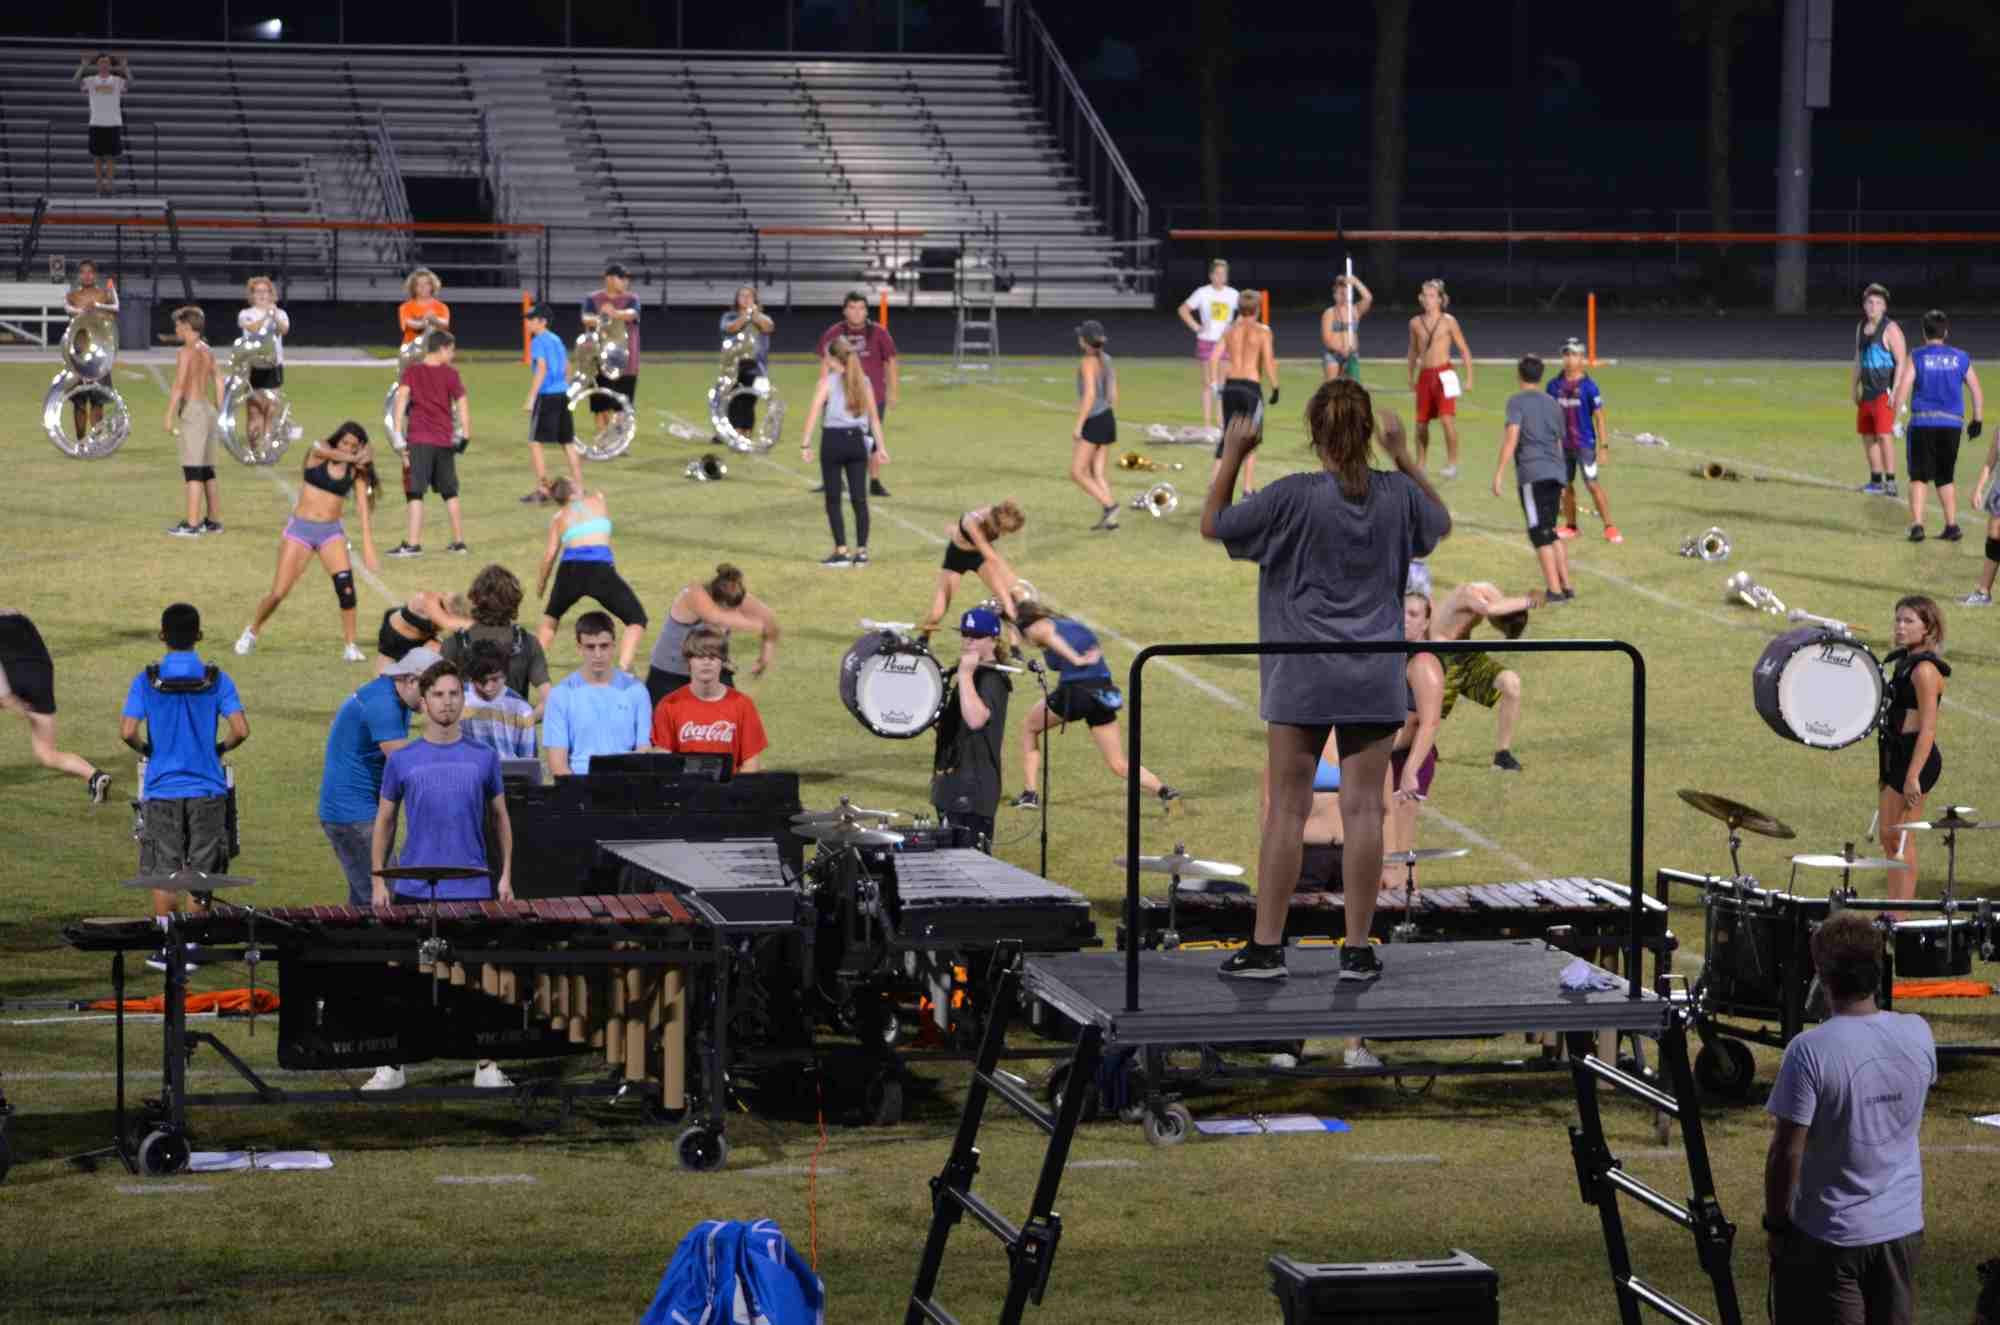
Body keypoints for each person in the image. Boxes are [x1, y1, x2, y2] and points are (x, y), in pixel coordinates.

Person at [1201, 382, 1451, 982]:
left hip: (1302, 672)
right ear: (1368, 434)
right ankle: (1358, 949)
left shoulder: (1292, 495)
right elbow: (1439, 522)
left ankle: (1267, 948)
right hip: (1374, 673)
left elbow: (1214, 524)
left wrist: (1233, 456)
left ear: (1315, 433)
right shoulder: (1396, 493)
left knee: (1287, 811)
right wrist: (1405, 456)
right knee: (1365, 813)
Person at [1764, 909, 1935, 1325]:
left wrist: (1777, 1225)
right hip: (1901, 1229)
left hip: (1830, 1235)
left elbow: (1786, 1152)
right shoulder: (1918, 1031)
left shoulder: (1809, 1050)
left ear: (1822, 975)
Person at [364, 657, 513, 1094]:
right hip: (414, 888)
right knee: (405, 980)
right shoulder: (403, 760)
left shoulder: (485, 758)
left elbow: (501, 819)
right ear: (424, 702)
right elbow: (385, 821)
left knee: (478, 981)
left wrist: (505, 876)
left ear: (462, 700)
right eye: (438, 695)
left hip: (472, 888)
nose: (447, 702)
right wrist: (378, 880)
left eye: (453, 694)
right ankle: (393, 1064)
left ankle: (485, 1063)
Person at [119, 603, 249, 922]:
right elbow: (241, 730)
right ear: (199, 635)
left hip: (162, 789)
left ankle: (169, 943)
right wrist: (218, 749)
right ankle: (193, 944)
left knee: (164, 876)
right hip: (207, 790)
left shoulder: (146, 681)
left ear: (162, 635)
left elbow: (127, 731)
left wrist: (149, 750)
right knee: (202, 880)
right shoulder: (217, 680)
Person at [1009, 600, 1179, 811]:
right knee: (1118, 763)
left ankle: (1030, 794)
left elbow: (1051, 638)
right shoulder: (1072, 624)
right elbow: (1058, 652)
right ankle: (1164, 791)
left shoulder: (1040, 628)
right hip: (1103, 692)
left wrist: (1076, 660)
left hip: (1076, 692)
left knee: (1029, 727)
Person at [235, 422, 380, 662]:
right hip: (300, 532)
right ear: (337, 439)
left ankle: (350, 646)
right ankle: (252, 631)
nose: (347, 447)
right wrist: (357, 456)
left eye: (353, 446)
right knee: (278, 593)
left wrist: (368, 547)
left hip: (331, 533)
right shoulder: (319, 452)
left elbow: (364, 510)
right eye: (344, 442)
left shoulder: (355, 472)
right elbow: (327, 451)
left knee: (346, 589)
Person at [318, 647, 430, 907]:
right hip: (353, 816)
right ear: (410, 680)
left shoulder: (394, 696)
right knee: (386, 901)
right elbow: (405, 768)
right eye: (430, 691)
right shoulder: (384, 705)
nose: (432, 699)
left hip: (354, 812)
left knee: (364, 901)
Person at [534, 478, 648, 670]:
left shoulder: (559, 518)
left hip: (569, 570)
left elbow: (550, 555)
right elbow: (588, 493)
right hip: (599, 569)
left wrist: (541, 585)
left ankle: (532, 666)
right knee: (636, 619)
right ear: (574, 489)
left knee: (551, 618)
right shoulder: (598, 500)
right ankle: (624, 668)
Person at [1878, 596, 1947, 908]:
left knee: (1902, 839)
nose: (1900, 627)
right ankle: (1893, 909)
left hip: (1916, 758)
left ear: (1928, 628)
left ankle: (1899, 916)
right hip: (1895, 753)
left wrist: (1913, 776)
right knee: (1889, 837)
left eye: (1909, 621)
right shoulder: (1903, 663)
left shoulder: (1925, 671)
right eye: (1898, 620)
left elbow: (1928, 728)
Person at [0, 608, 111, 803]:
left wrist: (6, 695)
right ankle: (94, 775)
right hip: (41, 677)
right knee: (47, 753)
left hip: (13, 676)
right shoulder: (20, 618)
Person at [1893, 310, 1983, 543]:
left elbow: (1904, 386)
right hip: (1952, 425)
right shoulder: (1960, 357)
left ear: (1924, 332)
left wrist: (1896, 419)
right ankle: (1951, 526)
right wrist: (1977, 419)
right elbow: (1975, 389)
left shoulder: (1917, 356)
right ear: (1946, 332)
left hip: (1923, 422)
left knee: (1919, 476)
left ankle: (1917, 526)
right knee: (1945, 476)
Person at [1430, 581, 1538, 772]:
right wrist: (1530, 601)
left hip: (1465, 655)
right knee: (1425, 716)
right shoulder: (1468, 592)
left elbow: (1498, 607)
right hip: (1440, 657)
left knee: (1510, 683)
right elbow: (1489, 609)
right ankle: (1419, 746)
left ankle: (1502, 757)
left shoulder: (1489, 597)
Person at [799, 337, 888, 568]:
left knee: (833, 499)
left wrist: (805, 444)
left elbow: (814, 412)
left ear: (832, 359)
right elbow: (874, 419)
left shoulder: (827, 382)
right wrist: (881, 448)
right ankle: (862, 553)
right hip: (858, 442)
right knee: (860, 499)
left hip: (833, 441)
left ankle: (841, 552)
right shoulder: (864, 381)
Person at [1493, 355, 1575, 601]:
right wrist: (1563, 479)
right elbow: (1559, 443)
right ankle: (1566, 586)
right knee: (1551, 530)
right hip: (1555, 472)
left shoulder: (1516, 402)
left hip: (1533, 474)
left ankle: (1554, 591)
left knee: (1539, 533)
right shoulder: (1552, 403)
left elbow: (1512, 438)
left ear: (1519, 374)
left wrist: (1499, 473)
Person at [643, 565, 779, 708]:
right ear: (714, 597)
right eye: (727, 609)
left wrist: (765, 655)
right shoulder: (692, 595)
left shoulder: (735, 596)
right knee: (660, 719)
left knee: (732, 716)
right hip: (671, 675)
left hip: (713, 673)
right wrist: (760, 626)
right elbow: (716, 617)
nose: (733, 612)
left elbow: (768, 618)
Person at [387, 330, 471, 559]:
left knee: (415, 492)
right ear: (442, 349)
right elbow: (462, 404)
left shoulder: (412, 372)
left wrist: (397, 432)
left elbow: (401, 400)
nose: (452, 355)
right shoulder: (451, 374)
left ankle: (413, 545)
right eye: (451, 350)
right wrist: (465, 434)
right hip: (444, 440)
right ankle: (459, 543)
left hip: (419, 440)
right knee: (450, 492)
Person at [931, 607, 1011, 846]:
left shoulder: (992, 679)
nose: (968, 641)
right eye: (965, 634)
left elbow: (976, 720)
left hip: (972, 791)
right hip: (953, 786)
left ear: (993, 640)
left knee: (969, 863)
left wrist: (965, 675)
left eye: (976, 636)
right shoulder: (973, 673)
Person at [1383, 591, 1445, 892]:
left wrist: (1410, 770)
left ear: (1426, 622)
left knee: (1399, 850)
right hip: (1389, 761)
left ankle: (1409, 905)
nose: (1405, 620)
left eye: (1414, 614)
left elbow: (1430, 721)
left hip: (1409, 760)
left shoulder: (1423, 662)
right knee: (1388, 849)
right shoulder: (1397, 656)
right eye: (1402, 613)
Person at [543, 612, 651, 776]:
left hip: (626, 784)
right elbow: (558, 766)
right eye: (590, 647)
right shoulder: (561, 695)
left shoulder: (636, 691)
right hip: (579, 785)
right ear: (579, 649)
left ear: (613, 646)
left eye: (604, 646)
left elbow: (644, 752)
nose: (598, 654)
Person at [650, 626, 768, 774]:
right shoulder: (669, 705)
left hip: (729, 787)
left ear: (723, 661)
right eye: (700, 656)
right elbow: (663, 763)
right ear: (689, 660)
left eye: (713, 656)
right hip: (685, 787)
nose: (706, 662)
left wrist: (734, 787)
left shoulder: (742, 704)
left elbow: (751, 765)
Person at [815, 291, 899, 497]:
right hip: (839, 398)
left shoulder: (879, 333)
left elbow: (891, 362)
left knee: (871, 439)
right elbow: (825, 362)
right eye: (852, 308)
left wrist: (892, 391)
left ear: (866, 311)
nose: (856, 312)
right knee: (833, 437)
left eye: (861, 308)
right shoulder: (834, 332)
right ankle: (833, 479)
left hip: (872, 395)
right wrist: (823, 390)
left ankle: (874, 481)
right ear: (844, 311)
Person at [440, 564, 552, 715]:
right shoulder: (528, 643)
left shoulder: (454, 643)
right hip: (513, 728)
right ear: (514, 601)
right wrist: (526, 722)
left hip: (465, 728)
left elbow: (439, 699)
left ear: (475, 599)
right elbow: (549, 700)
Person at [162, 304, 225, 537]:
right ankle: (213, 521)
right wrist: (219, 407)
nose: (176, 329)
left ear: (187, 326)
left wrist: (169, 415)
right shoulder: (207, 350)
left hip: (193, 411)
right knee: (208, 470)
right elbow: (219, 379)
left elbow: (179, 385)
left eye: (178, 325)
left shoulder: (185, 352)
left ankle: (192, 524)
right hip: (208, 410)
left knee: (193, 471)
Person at [1550, 337, 1621, 544]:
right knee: (1565, 486)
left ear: (1581, 358)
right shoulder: (1553, 385)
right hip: (1562, 445)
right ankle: (1571, 526)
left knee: (1592, 484)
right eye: (1566, 354)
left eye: (1573, 354)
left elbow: (1599, 417)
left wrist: (1603, 447)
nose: (1569, 359)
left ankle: (1609, 526)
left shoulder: (1589, 387)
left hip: (1584, 445)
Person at [918, 502, 1029, 634]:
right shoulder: (972, 523)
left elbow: (991, 555)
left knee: (1008, 600)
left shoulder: (998, 515)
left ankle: (1017, 643)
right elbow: (991, 557)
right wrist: (1012, 580)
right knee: (937, 614)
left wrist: (1014, 588)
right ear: (995, 523)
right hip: (957, 558)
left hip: (979, 557)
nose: (1003, 534)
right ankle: (923, 639)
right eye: (1003, 530)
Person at [1406, 278, 1474, 477]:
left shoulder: (1449, 321)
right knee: (1421, 423)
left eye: (1432, 296)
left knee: (1446, 420)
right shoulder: (1415, 323)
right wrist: (1410, 375)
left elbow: (1463, 349)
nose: (1427, 299)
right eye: (1425, 295)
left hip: (1446, 374)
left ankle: (1452, 464)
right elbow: (1413, 351)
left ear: (1440, 300)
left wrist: (1469, 377)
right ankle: (1420, 464)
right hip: (1425, 375)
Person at [1215, 290, 1279, 496]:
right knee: (1250, 440)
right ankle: (1247, 489)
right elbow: (1268, 362)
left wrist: (1216, 385)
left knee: (1228, 439)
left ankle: (1216, 489)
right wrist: (1275, 387)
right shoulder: (1263, 331)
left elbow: (1214, 357)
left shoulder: (1230, 330)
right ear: (1258, 309)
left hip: (1230, 386)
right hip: (1251, 389)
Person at [521, 303, 583, 503]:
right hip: (562, 394)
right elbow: (567, 366)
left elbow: (541, 368)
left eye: (531, 319)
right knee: (567, 442)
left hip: (547, 396)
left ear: (542, 321)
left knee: (535, 442)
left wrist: (532, 397)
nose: (527, 323)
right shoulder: (556, 339)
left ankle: (543, 490)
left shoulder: (538, 341)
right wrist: (565, 386)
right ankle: (579, 489)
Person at [1854, 283, 1908, 497]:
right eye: (1870, 302)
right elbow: (1858, 358)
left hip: (1884, 392)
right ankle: (1876, 481)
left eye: (1878, 303)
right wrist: (1854, 386)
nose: (1873, 306)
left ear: (1884, 307)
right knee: (1867, 436)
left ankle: (1891, 482)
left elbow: (1902, 361)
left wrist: (1896, 391)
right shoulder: (1861, 327)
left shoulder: (1891, 329)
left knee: (1884, 436)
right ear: (1864, 305)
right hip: (1866, 392)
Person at [1069, 320, 1121, 530]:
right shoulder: (1107, 359)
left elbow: (1089, 395)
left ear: (1084, 341)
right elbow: (1113, 394)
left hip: (1094, 420)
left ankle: (1110, 506)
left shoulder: (1087, 362)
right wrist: (1107, 412)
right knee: (1098, 473)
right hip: (1107, 417)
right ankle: (1111, 521)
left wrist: (1079, 424)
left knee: (1077, 472)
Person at [1177, 259, 1239, 433]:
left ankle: (1221, 421)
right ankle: (1206, 423)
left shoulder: (1233, 294)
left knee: (1222, 384)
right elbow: (1183, 310)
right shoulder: (1202, 293)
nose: (1221, 277)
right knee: (1207, 382)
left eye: (1224, 274)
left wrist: (1234, 326)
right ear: (1211, 275)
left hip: (1225, 343)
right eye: (1217, 274)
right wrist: (1196, 327)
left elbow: (1245, 312)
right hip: (1206, 341)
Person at [582, 263, 641, 441]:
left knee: (622, 405)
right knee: (600, 404)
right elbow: (586, 318)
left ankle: (619, 441)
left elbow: (632, 313)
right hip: (599, 360)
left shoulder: (632, 298)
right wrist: (603, 317)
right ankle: (603, 439)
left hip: (627, 362)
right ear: (608, 278)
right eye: (621, 278)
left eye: (626, 279)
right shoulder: (593, 299)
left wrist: (614, 313)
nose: (625, 282)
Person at [63, 260, 119, 441]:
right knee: (79, 401)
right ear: (79, 275)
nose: (86, 275)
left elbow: (116, 308)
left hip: (99, 353)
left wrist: (98, 306)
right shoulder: (72, 295)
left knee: (97, 400)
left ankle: (95, 441)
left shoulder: (104, 295)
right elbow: (68, 309)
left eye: (90, 272)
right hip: (78, 352)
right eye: (83, 272)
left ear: (95, 275)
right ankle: (80, 441)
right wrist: (83, 310)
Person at [237, 276, 291, 454]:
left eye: (265, 291)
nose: (261, 295)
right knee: (254, 409)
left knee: (271, 408)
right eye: (257, 291)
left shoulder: (280, 313)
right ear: (252, 295)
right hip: (253, 367)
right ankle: (254, 447)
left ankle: (266, 446)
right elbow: (253, 329)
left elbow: (284, 330)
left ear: (271, 294)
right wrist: (267, 315)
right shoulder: (246, 314)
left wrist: (274, 315)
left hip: (273, 367)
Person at [460, 642, 539, 759]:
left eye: (495, 679)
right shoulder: (457, 699)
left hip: (507, 769)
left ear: (505, 674)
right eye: (480, 680)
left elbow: (528, 759)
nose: (488, 688)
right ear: (471, 677)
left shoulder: (522, 710)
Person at [718, 284, 775, 440]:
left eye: (749, 296)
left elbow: (768, 328)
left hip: (756, 367)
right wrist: (746, 315)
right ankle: (732, 432)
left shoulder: (763, 317)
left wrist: (754, 314)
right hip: (733, 366)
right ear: (736, 299)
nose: (745, 299)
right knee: (731, 401)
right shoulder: (729, 317)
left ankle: (745, 432)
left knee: (749, 400)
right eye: (742, 296)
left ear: (755, 299)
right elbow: (731, 328)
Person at [375, 590, 473, 674]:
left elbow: (460, 630)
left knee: (450, 661)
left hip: (424, 640)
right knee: (384, 682)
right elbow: (448, 622)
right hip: (394, 640)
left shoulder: (451, 610)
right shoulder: (427, 600)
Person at [74, 52, 132, 195]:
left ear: (110, 65)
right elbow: (75, 81)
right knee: (97, 156)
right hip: (96, 122)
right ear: (97, 65)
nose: (104, 64)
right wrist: (82, 67)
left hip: (113, 123)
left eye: (106, 62)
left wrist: (125, 68)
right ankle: (99, 183)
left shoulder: (117, 80)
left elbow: (131, 82)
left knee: (111, 156)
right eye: (101, 62)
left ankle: (110, 183)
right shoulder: (91, 80)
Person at [1321, 273, 1373, 382]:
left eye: (1345, 293)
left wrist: (1356, 282)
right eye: (1340, 293)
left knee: (1352, 388)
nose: (1343, 296)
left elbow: (1368, 298)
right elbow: (1326, 339)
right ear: (1334, 295)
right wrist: (1341, 350)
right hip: (1334, 356)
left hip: (1352, 355)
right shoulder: (1330, 313)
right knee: (1333, 387)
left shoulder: (1354, 311)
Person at [397, 268, 450, 347]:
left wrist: (434, 319)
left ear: (432, 285)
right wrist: (425, 322)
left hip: (434, 348)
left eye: (426, 284)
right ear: (413, 287)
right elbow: (409, 324)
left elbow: (445, 324)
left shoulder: (442, 307)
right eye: (418, 284)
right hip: (411, 348)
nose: (423, 287)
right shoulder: (405, 307)